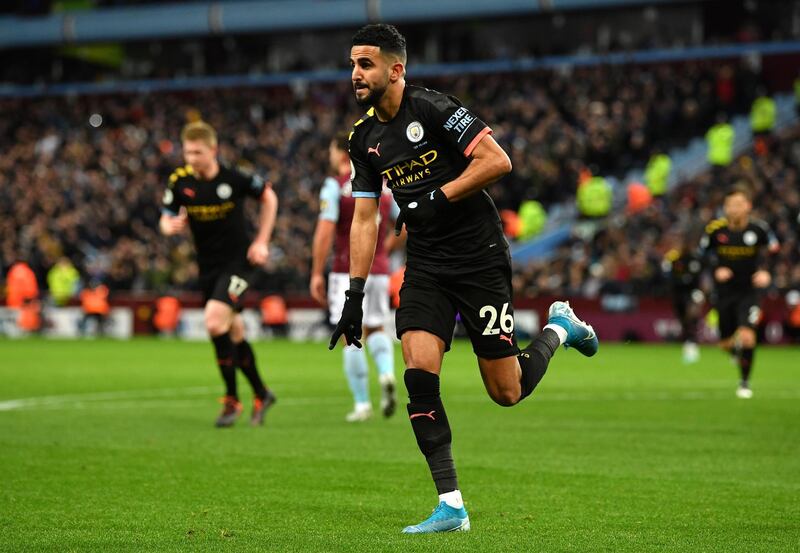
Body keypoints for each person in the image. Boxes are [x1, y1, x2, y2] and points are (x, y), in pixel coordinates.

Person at [329, 24, 598, 533]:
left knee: (506, 392)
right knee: (418, 368)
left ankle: (560, 327)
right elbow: (366, 219)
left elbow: (497, 160)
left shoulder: (434, 108)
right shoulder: (363, 138)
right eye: (352, 64)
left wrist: (437, 197)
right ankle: (451, 504)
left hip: (478, 257)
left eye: (366, 64)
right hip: (427, 264)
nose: (356, 74)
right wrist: (355, 294)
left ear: (396, 69)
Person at [159, 121, 278, 427]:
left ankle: (231, 400)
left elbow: (269, 196)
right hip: (208, 267)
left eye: (198, 152)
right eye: (188, 152)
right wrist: (168, 225)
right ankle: (262, 393)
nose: (192, 159)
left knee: (213, 321)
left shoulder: (234, 178)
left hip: (239, 263)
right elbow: (166, 216)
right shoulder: (180, 181)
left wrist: (262, 240)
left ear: (213, 150)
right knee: (233, 331)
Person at [310, 131, 398, 422]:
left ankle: (362, 404)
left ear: (339, 153)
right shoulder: (384, 184)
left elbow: (325, 230)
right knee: (376, 328)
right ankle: (386, 373)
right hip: (380, 270)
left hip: (347, 271)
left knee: (351, 334)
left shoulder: (334, 186)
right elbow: (406, 221)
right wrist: (384, 248)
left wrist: (316, 272)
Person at [699, 184, 779, 398]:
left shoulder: (759, 230)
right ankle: (734, 351)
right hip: (724, 293)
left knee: (747, 336)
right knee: (725, 344)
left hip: (749, 292)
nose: (733, 209)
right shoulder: (715, 230)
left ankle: (744, 383)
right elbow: (702, 256)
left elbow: (776, 252)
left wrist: (767, 272)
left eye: (738, 204)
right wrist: (717, 269)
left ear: (748, 206)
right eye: (729, 205)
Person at [662, 238, 703, 363]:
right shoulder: (673, 260)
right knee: (682, 318)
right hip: (678, 294)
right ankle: (687, 342)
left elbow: (696, 277)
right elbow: (669, 277)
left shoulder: (694, 259)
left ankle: (692, 343)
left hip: (691, 293)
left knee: (691, 316)